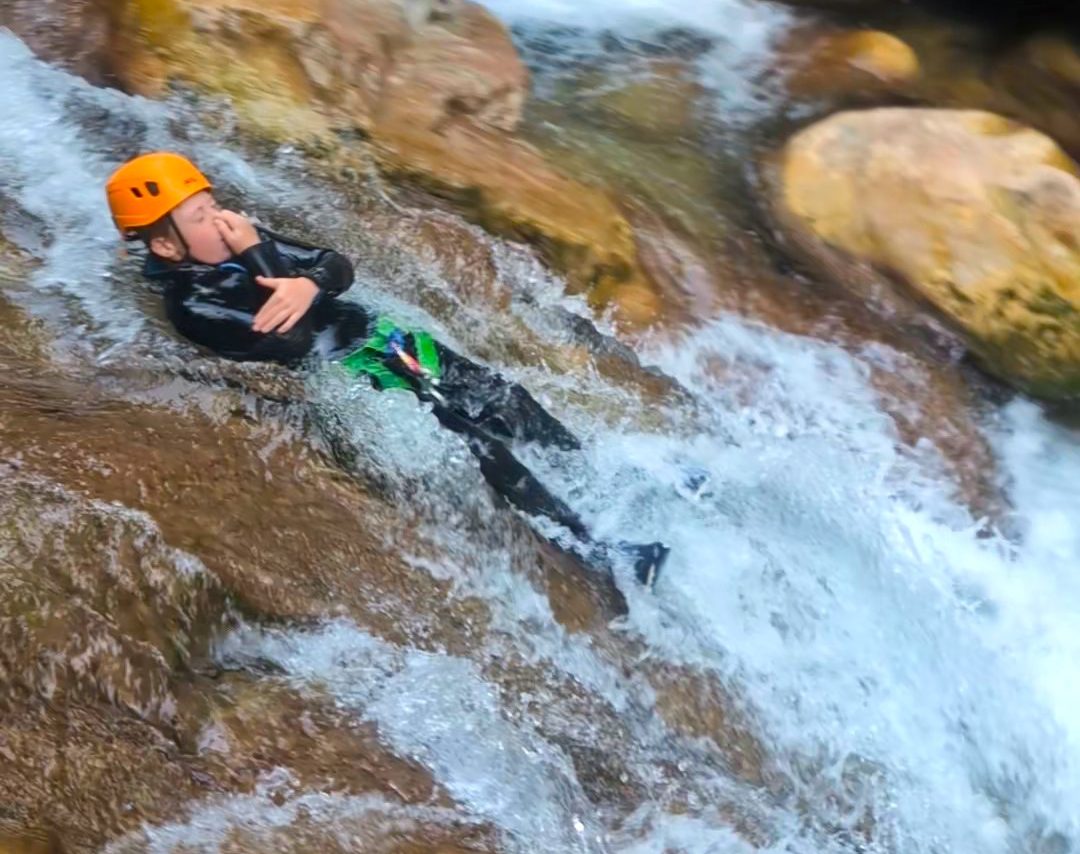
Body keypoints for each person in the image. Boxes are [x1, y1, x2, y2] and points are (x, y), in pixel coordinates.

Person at [105, 152, 668, 588]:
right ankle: (596, 553)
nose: (223, 220)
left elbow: (334, 266)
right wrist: (263, 260)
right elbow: (293, 338)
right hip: (351, 374)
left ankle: (599, 475)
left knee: (504, 396)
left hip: (378, 336)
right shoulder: (193, 305)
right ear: (166, 246)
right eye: (202, 217)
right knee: (476, 443)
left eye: (214, 204)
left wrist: (304, 278)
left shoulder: (238, 245)